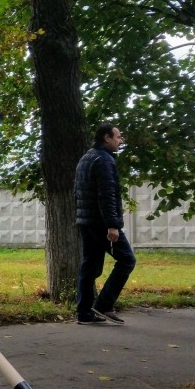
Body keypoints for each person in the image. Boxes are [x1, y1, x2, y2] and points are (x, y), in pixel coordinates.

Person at [74, 123, 135, 325]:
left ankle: (84, 313)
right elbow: (106, 195)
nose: (121, 140)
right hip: (101, 222)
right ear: (106, 138)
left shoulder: (87, 157)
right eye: (118, 137)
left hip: (86, 220)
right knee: (127, 260)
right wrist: (112, 225)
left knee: (90, 266)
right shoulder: (104, 160)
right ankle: (104, 305)